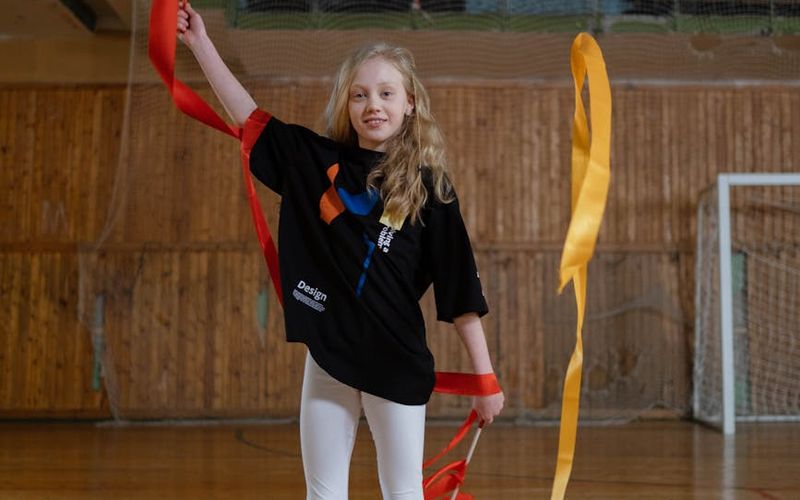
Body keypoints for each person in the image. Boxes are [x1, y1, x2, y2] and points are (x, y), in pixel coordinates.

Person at [177, 3, 504, 499]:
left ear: (411, 103)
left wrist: (485, 378)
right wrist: (200, 43)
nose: (373, 104)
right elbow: (249, 119)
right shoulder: (315, 161)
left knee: (403, 494)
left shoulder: (430, 188)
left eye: (386, 93)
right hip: (329, 360)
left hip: (394, 361)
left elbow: (460, 290)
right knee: (323, 493)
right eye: (360, 94)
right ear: (347, 106)